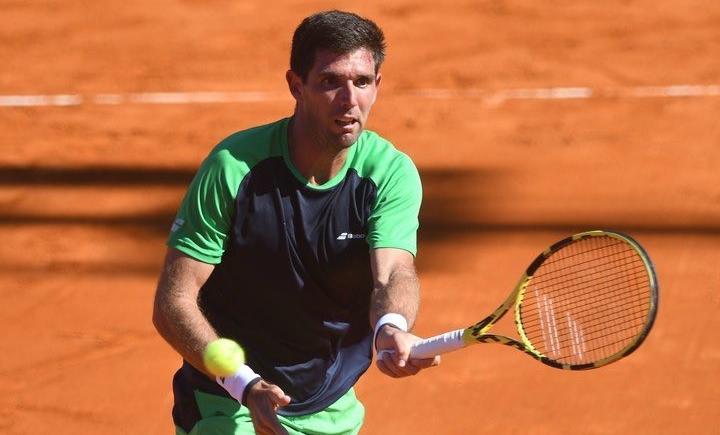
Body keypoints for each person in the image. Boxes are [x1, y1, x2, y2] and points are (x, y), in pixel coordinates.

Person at [152, 10, 440, 435]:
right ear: (295, 85)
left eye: (362, 82)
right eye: (330, 81)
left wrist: (391, 326)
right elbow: (173, 303)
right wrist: (245, 385)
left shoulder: (389, 174)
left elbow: (394, 271)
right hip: (228, 402)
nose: (348, 100)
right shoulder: (234, 168)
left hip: (329, 405)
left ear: (377, 85)